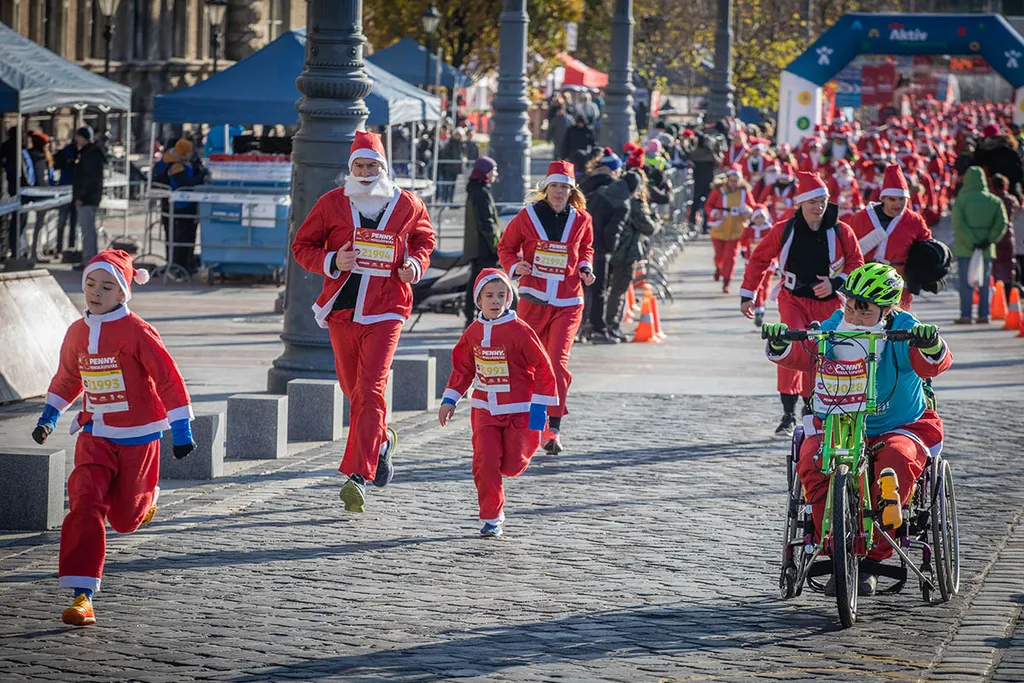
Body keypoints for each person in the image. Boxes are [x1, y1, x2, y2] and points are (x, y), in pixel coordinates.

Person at [763, 264, 952, 596]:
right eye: (849, 303)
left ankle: (875, 554)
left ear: (886, 309)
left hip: (899, 425)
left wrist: (930, 342)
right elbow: (802, 356)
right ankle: (836, 551)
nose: (853, 312)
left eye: (863, 308)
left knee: (896, 458)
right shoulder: (834, 326)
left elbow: (933, 363)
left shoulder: (905, 328)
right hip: (838, 421)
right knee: (811, 460)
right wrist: (780, 344)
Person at [30, 249, 196, 625]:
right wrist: (50, 415)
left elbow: (168, 378)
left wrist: (181, 428)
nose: (95, 292)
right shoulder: (77, 331)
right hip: (93, 434)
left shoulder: (138, 331)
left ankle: (147, 496)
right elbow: (69, 377)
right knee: (84, 505)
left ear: (122, 293)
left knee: (124, 520)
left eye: (107, 286)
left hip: (138, 437)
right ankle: (82, 595)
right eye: (90, 283)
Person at [291, 131, 436, 512]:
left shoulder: (406, 204)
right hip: (342, 309)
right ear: (350, 168)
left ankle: (358, 475)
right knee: (353, 388)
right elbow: (301, 245)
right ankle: (383, 441)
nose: (367, 171)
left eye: (373, 165)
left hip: (387, 307)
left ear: (384, 167)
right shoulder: (332, 203)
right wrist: (332, 261)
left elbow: (425, 239)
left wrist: (414, 265)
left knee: (371, 388)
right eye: (360, 165)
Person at [739, 171, 864, 437]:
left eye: (823, 201)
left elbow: (856, 263)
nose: (818, 207)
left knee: (819, 352)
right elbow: (759, 259)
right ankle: (787, 412)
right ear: (801, 204)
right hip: (793, 299)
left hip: (829, 303)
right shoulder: (784, 229)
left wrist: (836, 282)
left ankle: (812, 409)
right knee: (792, 347)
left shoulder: (842, 230)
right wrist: (748, 293)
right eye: (813, 201)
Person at [438, 268, 558, 537]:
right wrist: (450, 399)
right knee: (485, 461)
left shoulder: (521, 332)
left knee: (513, 465)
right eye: (489, 296)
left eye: (501, 296)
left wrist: (539, 411)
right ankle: (492, 517)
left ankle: (542, 432)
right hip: (484, 409)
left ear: (509, 299)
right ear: (478, 300)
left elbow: (543, 367)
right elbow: (463, 368)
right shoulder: (473, 333)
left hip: (521, 409)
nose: (495, 301)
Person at [498, 161, 595, 454]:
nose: (559, 192)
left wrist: (586, 267)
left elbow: (586, 248)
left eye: (565, 187)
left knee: (556, 363)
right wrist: (516, 266)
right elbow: (506, 246)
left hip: (568, 301)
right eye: (555, 186)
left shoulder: (581, 219)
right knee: (527, 363)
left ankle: (552, 429)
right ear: (546, 188)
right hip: (534, 300)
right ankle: (530, 421)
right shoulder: (527, 216)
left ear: (571, 190)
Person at [848, 165, 932, 309]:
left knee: (899, 327)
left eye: (902, 199)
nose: (898, 204)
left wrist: (931, 270)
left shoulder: (914, 220)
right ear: (883, 199)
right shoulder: (861, 218)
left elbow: (927, 247)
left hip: (898, 284)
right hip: (865, 282)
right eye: (892, 199)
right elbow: (847, 249)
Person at [584, 169, 639, 342]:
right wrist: (611, 250)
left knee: (584, 289)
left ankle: (583, 326)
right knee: (599, 291)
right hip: (600, 250)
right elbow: (613, 231)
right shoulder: (623, 204)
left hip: (584, 245)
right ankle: (599, 329)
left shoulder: (601, 192)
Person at [604, 169, 658, 341]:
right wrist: (655, 222)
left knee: (602, 290)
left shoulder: (607, 194)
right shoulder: (634, 202)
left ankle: (594, 324)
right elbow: (647, 227)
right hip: (626, 252)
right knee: (618, 291)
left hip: (606, 249)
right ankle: (612, 326)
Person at [951, 166, 1008, 324]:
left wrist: (971, 240)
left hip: (966, 248)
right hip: (986, 248)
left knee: (966, 284)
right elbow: (1002, 222)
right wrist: (989, 239)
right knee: (985, 283)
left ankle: (966, 314)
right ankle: (984, 314)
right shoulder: (994, 201)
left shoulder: (961, 200)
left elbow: (958, 223)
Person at [463, 156, 501, 325]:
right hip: (483, 247)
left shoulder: (474, 191)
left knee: (475, 282)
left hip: (475, 247)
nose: (496, 174)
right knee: (484, 284)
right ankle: (480, 317)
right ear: (486, 172)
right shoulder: (482, 193)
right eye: (493, 170)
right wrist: (496, 245)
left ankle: (470, 317)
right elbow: (487, 223)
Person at [705, 164, 754, 293]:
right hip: (719, 228)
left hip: (736, 229)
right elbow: (708, 206)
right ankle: (718, 267)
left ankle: (726, 281)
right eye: (731, 180)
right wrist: (715, 213)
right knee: (719, 256)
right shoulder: (718, 191)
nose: (733, 183)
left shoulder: (744, 192)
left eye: (736, 180)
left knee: (730, 256)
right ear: (727, 179)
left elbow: (752, 206)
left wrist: (748, 212)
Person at [159, 140, 203, 272]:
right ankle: (179, 265)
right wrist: (201, 175)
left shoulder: (182, 163)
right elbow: (186, 183)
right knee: (182, 237)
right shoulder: (176, 166)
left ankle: (186, 262)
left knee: (188, 236)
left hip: (185, 206)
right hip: (180, 207)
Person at [72, 126, 106, 265]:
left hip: (87, 197)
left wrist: (81, 196)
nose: (76, 139)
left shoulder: (89, 154)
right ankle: (90, 259)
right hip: (91, 196)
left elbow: (88, 177)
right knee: (89, 230)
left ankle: (89, 260)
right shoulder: (91, 152)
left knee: (87, 230)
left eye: (78, 136)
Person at [739, 205, 775, 326]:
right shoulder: (749, 230)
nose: (760, 220)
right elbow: (743, 241)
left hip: (769, 264)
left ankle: (761, 303)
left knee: (766, 287)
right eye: (757, 217)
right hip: (753, 262)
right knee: (758, 288)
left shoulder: (770, 229)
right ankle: (759, 310)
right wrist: (744, 251)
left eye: (762, 217)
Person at [989, 173, 1019, 301]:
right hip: (1009, 236)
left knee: (996, 267)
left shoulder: (992, 200)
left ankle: (997, 295)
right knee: (1008, 265)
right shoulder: (1011, 200)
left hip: (994, 236)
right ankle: (1008, 293)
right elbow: (1017, 209)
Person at [54, 136, 79, 257]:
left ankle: (65, 249)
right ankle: (65, 249)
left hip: (70, 189)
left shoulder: (76, 152)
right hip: (68, 189)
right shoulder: (69, 152)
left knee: (66, 222)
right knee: (67, 222)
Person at [438, 128, 466, 203]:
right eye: (457, 135)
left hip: (456, 168)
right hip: (449, 168)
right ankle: (445, 200)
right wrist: (449, 162)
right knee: (446, 185)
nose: (458, 136)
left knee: (453, 185)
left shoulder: (462, 144)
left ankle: (451, 201)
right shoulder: (449, 143)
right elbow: (444, 154)